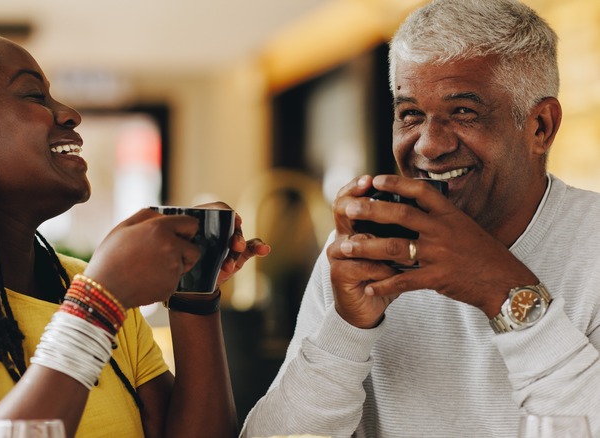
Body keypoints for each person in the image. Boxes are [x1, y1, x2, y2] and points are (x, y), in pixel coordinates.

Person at [0, 18, 270, 437]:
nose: (69, 113)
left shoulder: (77, 283)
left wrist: (194, 292)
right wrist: (99, 302)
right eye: (35, 96)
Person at [241, 0, 600, 436]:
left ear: (541, 126)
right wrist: (347, 330)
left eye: (464, 112)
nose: (428, 146)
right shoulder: (368, 251)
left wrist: (504, 291)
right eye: (410, 114)